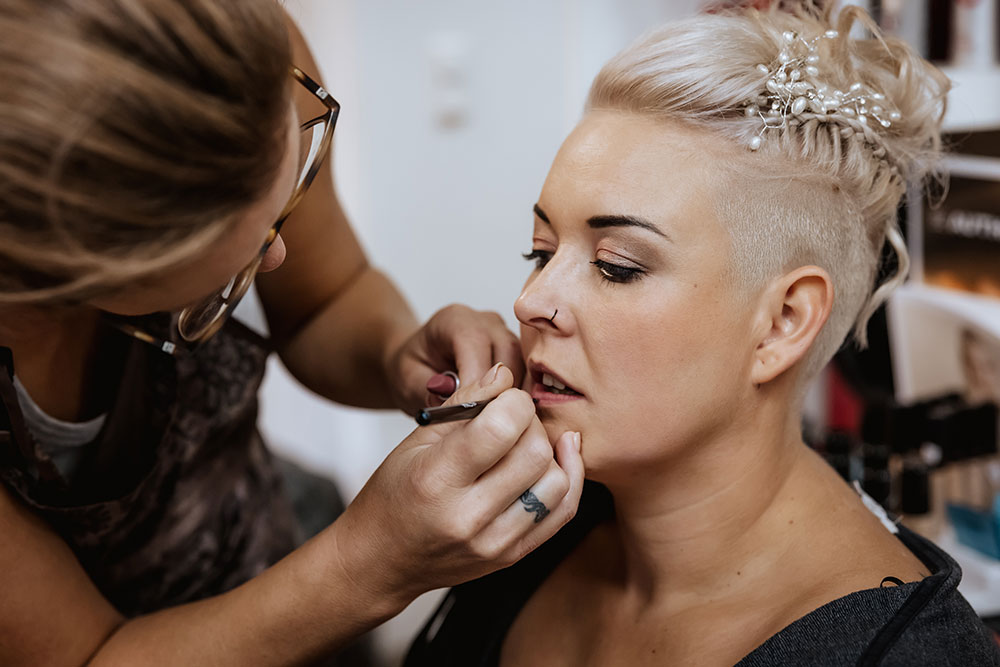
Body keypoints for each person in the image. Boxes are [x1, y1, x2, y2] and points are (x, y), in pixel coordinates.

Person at [406, 3, 1000, 666]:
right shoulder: (524, 525)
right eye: (540, 252)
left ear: (783, 322)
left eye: (616, 267)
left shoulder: (906, 654)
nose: (531, 301)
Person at [0, 1, 586, 664]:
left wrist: (397, 349)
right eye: (236, 261)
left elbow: (323, 299)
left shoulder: (234, 46)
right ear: (71, 269)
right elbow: (89, 655)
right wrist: (367, 563)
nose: (277, 259)